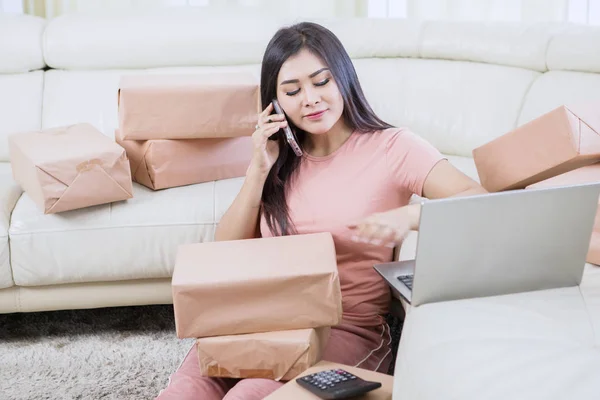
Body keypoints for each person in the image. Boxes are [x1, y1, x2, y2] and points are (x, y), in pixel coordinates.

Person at [156, 21, 486, 400]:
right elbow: (222, 256)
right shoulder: (279, 161)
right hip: (262, 319)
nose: (310, 99)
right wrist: (257, 171)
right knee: (184, 393)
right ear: (275, 103)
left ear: (343, 77)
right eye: (292, 91)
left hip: (347, 330)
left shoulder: (394, 147)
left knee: (250, 394)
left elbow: (478, 199)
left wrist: (410, 217)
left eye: (321, 82)